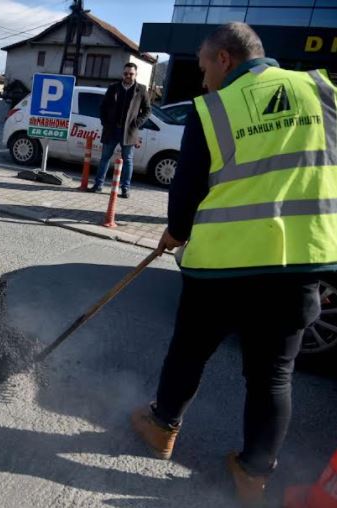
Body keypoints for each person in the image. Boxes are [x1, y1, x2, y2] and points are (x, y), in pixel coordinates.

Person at [130, 22, 337, 505]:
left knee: (190, 351)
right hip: (301, 260)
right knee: (273, 375)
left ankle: (162, 428)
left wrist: (175, 232)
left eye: (203, 67)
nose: (201, 80)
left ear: (225, 59)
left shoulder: (216, 107)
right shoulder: (322, 88)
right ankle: (253, 474)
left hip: (224, 264)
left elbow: (187, 189)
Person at [88, 62, 151, 198]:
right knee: (105, 158)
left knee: (128, 160)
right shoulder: (113, 88)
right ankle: (98, 185)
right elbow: (103, 107)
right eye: (125, 73)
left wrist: (137, 123)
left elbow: (147, 110)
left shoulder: (141, 89)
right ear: (122, 74)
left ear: (136, 74)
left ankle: (125, 189)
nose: (128, 76)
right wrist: (104, 122)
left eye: (131, 74)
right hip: (112, 129)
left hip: (129, 132)